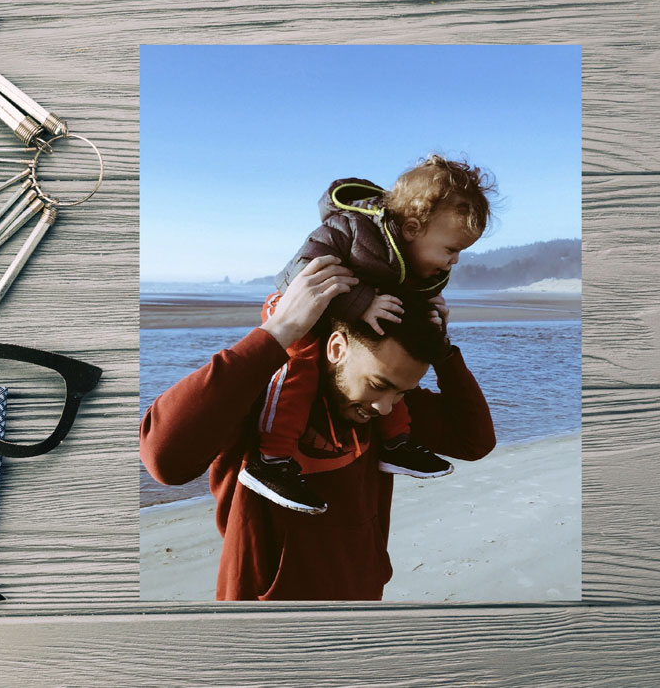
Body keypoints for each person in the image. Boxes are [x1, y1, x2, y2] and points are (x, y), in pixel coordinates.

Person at [139, 256, 495, 600]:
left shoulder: (388, 408)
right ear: (337, 348)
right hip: (264, 621)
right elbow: (165, 461)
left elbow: (473, 441)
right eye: (378, 384)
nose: (385, 406)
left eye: (402, 391)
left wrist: (444, 354)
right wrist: (277, 332)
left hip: (362, 602)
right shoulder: (262, 394)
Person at [242, 156, 496, 513]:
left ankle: (396, 443)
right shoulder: (352, 228)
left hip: (352, 329)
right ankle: (271, 459)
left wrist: (433, 331)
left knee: (392, 380)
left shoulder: (417, 264)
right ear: (412, 228)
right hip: (298, 313)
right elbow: (298, 273)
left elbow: (475, 440)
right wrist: (360, 303)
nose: (454, 261)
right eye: (451, 249)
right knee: (299, 369)